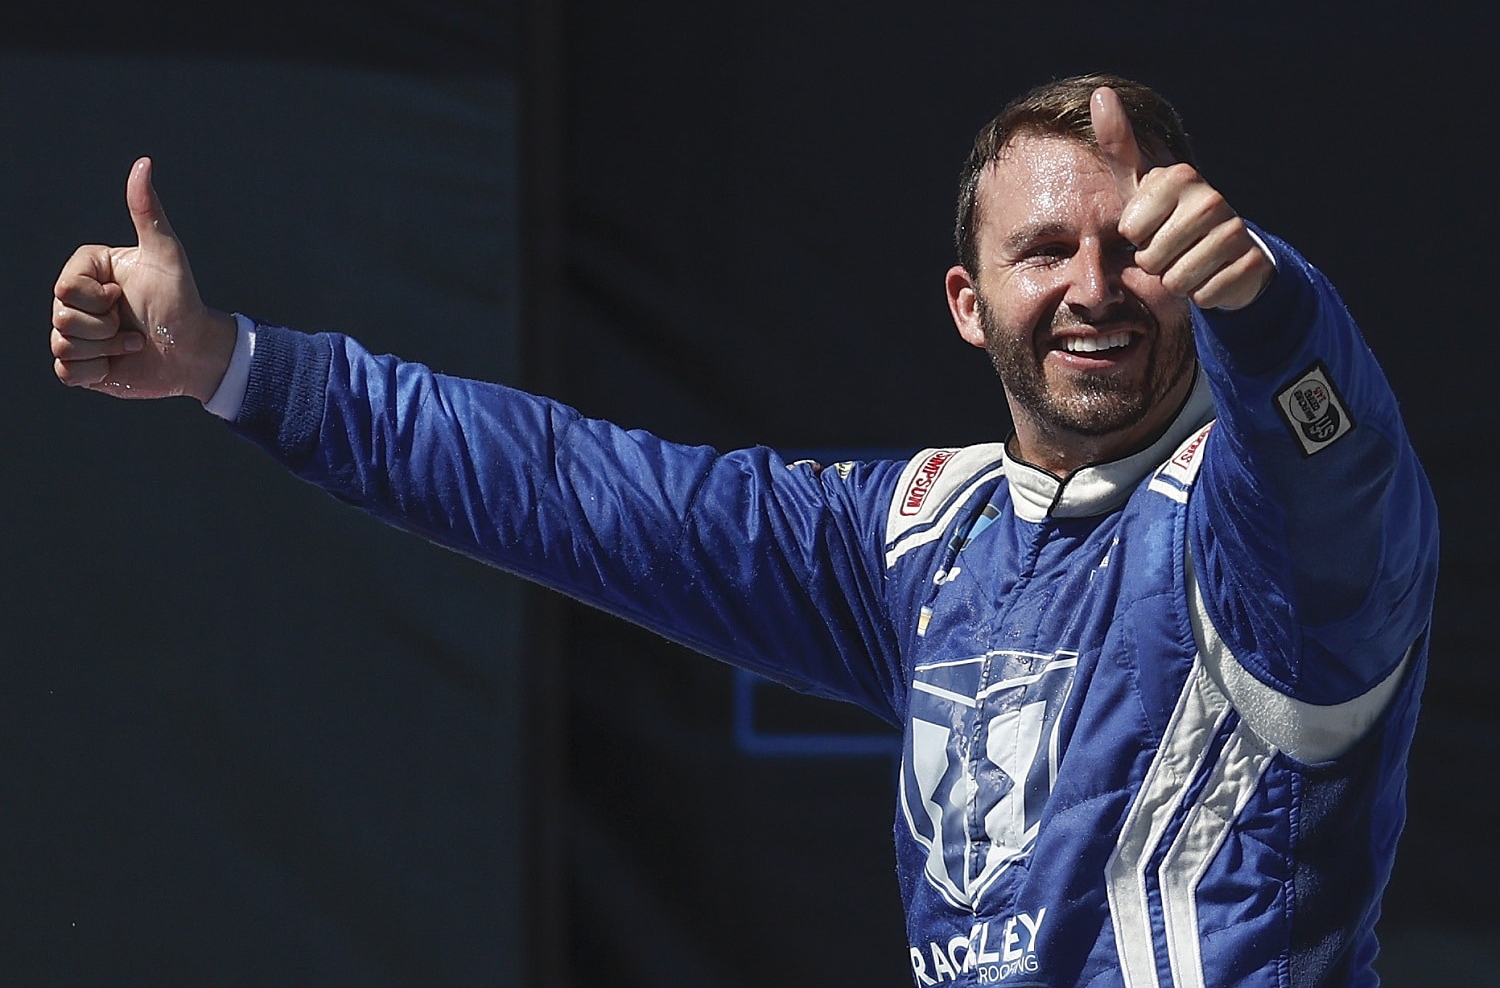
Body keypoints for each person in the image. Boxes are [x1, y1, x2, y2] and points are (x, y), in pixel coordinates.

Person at [50, 73, 1438, 986]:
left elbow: (1341, 479)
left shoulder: (1258, 542)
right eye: (1045, 252)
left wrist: (1272, 310)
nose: (1095, 287)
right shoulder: (923, 540)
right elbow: (568, 488)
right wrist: (235, 363)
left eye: (1134, 245)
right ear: (967, 301)